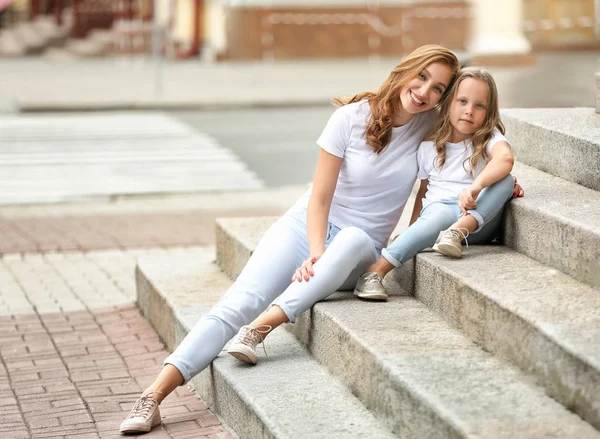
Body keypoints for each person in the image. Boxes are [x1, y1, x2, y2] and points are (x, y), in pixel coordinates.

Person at [119, 44, 462, 434]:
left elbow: (466, 158)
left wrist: (502, 182)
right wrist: (316, 253)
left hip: (358, 249)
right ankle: (153, 397)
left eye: (438, 88)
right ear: (405, 71)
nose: (425, 92)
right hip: (306, 227)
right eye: (422, 77)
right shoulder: (349, 118)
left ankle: (262, 327)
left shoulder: (433, 128)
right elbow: (319, 197)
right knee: (240, 300)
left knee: (349, 237)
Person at [354, 67, 523, 302]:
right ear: (448, 103)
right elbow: (424, 191)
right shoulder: (429, 146)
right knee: (441, 213)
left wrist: (476, 187)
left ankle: (457, 230)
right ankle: (374, 272)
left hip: (476, 224)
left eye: (479, 106)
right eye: (462, 101)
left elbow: (505, 159)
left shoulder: (489, 137)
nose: (469, 111)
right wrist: (414, 228)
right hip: (439, 217)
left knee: (506, 180)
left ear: (489, 112)